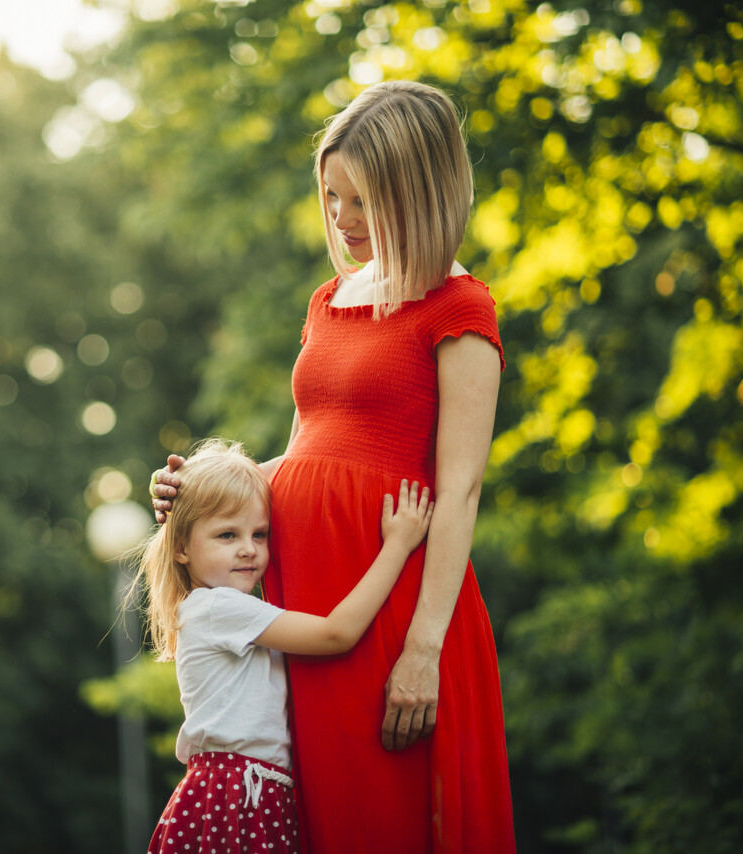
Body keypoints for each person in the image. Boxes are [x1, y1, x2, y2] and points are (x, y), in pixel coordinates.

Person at [151, 80, 517, 852]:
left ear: (416, 191)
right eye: (331, 197)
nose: (343, 220)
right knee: (315, 818)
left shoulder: (459, 308)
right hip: (304, 594)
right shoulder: (330, 301)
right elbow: (307, 449)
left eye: (362, 200)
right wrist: (200, 496)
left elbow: (460, 491)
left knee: (380, 814)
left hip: (385, 598)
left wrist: (423, 648)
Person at [135, 439, 433, 854]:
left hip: (246, 789)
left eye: (260, 534)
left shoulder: (217, 607)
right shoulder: (220, 606)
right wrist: (398, 545)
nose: (248, 549)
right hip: (237, 795)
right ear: (181, 547)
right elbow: (336, 633)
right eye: (227, 534)